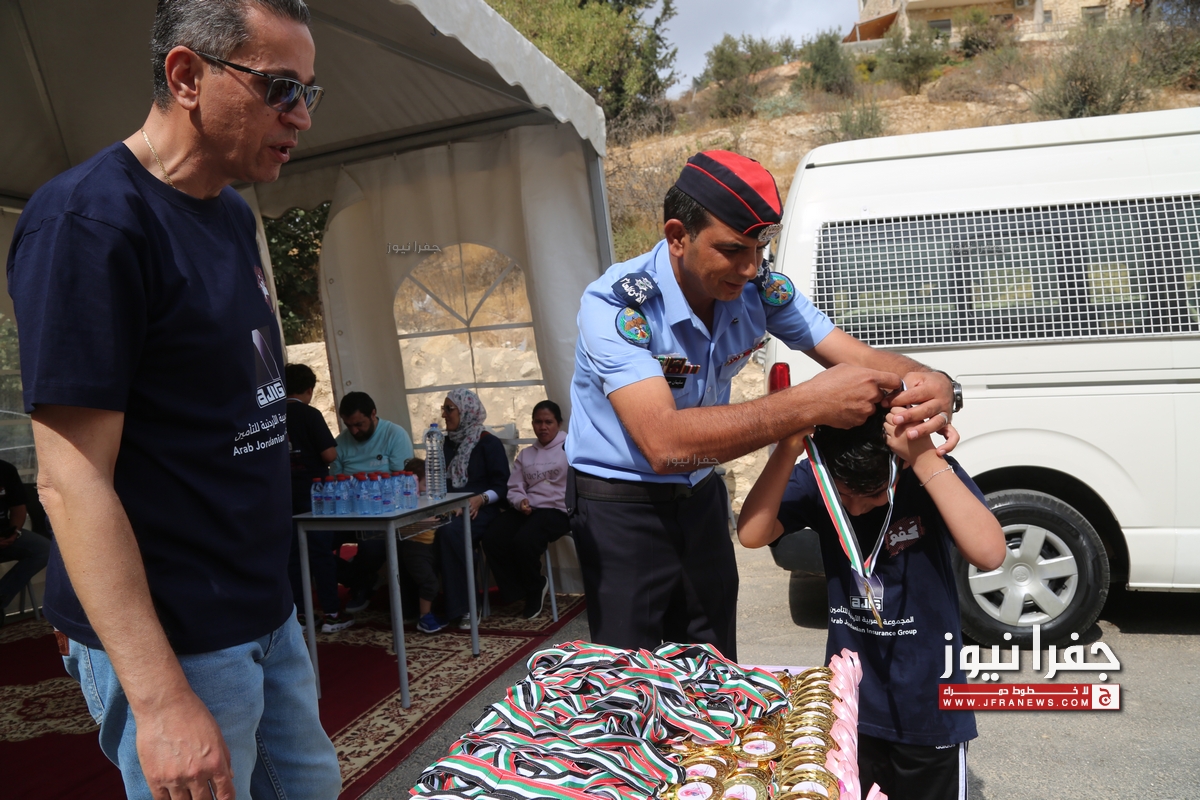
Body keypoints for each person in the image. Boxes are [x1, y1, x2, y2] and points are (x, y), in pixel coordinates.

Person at [4, 1, 342, 798]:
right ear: (187, 75)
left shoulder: (229, 213)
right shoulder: (88, 223)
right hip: (179, 637)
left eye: (308, 92)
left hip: (264, 610)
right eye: (281, 88)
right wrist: (158, 699)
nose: (300, 116)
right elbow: (70, 479)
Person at [566, 150, 963, 661]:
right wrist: (808, 404)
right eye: (733, 250)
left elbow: (860, 357)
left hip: (700, 494)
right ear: (678, 237)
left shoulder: (757, 288)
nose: (751, 267)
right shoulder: (617, 305)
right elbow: (662, 444)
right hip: (621, 504)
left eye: (760, 248)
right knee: (629, 675)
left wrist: (935, 382)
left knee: (713, 665)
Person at [737, 406, 1005, 800]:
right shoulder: (818, 476)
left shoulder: (925, 472)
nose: (857, 508)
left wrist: (922, 456)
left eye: (875, 495)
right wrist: (787, 448)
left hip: (928, 706)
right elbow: (751, 533)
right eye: (845, 495)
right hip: (849, 703)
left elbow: (990, 552)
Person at [422, 388, 510, 633]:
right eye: (444, 409)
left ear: (466, 411)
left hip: (479, 509)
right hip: (447, 509)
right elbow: (434, 481)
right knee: (415, 531)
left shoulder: (488, 443)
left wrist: (481, 499)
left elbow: (502, 486)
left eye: (449, 409)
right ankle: (420, 608)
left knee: (450, 532)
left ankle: (466, 606)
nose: (444, 415)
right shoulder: (443, 444)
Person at [328, 390, 415, 611]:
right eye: (349, 426)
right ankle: (360, 580)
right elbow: (336, 484)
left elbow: (402, 481)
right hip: (348, 514)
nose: (354, 431)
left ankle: (361, 582)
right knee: (312, 545)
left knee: (373, 547)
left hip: (383, 513)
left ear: (373, 414)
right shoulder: (340, 443)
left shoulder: (394, 435)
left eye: (359, 424)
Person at [482, 400, 569, 619]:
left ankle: (534, 588)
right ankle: (519, 590)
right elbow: (514, 486)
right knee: (492, 537)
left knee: (524, 541)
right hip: (529, 508)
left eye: (548, 422)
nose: (543, 427)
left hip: (557, 510)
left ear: (559, 423)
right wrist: (520, 501)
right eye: (538, 422)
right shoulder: (527, 454)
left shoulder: (571, 448)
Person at [283, 363, 353, 632]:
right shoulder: (310, 414)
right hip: (314, 493)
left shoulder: (273, 415)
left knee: (292, 555)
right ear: (309, 390)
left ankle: (300, 615)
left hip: (284, 493)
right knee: (320, 553)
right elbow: (329, 454)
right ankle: (332, 613)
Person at [0, 459, 51, 619]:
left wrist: (15, 532)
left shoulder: (6, 469)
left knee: (44, 550)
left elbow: (18, 507)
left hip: (5, 533)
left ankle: (1, 597)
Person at [397, 458, 441, 629]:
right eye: (424, 485)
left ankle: (428, 614)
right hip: (414, 549)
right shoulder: (407, 503)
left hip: (428, 548)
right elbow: (401, 529)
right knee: (429, 583)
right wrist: (422, 524)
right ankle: (424, 617)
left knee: (430, 581)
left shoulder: (428, 499)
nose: (427, 489)